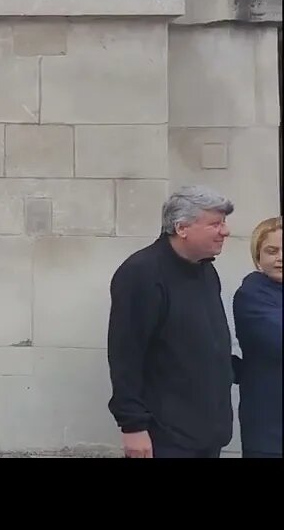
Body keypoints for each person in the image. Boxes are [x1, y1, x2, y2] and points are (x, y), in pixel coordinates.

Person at [106, 185, 235, 459]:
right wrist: (133, 426)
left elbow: (203, 346)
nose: (225, 231)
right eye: (215, 223)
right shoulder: (141, 274)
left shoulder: (205, 269)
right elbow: (126, 355)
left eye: (223, 222)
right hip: (165, 436)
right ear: (182, 228)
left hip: (207, 432)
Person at [232, 216, 281, 459]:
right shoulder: (252, 295)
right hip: (270, 427)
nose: (280, 257)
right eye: (272, 251)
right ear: (258, 257)